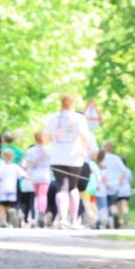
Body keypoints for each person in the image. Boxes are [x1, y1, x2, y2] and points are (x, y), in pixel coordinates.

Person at [46, 94, 93, 228]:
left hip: (57, 157)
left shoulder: (53, 118)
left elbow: (47, 137)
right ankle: (74, 220)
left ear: (61, 103)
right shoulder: (79, 118)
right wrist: (83, 150)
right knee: (73, 187)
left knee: (61, 187)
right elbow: (85, 138)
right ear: (73, 104)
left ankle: (62, 218)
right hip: (74, 157)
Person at [23, 131, 52, 226]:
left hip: (35, 174)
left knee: (37, 195)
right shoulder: (49, 149)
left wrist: (26, 171)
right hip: (45, 174)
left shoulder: (32, 150)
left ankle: (37, 215)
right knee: (43, 195)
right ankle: (42, 212)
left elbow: (28, 164)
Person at [0, 148, 27, 227]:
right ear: (13, 157)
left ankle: (5, 222)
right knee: (11, 205)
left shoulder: (1, 167)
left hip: (3, 190)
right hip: (12, 190)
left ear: (3, 157)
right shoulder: (15, 167)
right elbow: (24, 175)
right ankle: (12, 213)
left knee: (2, 206)